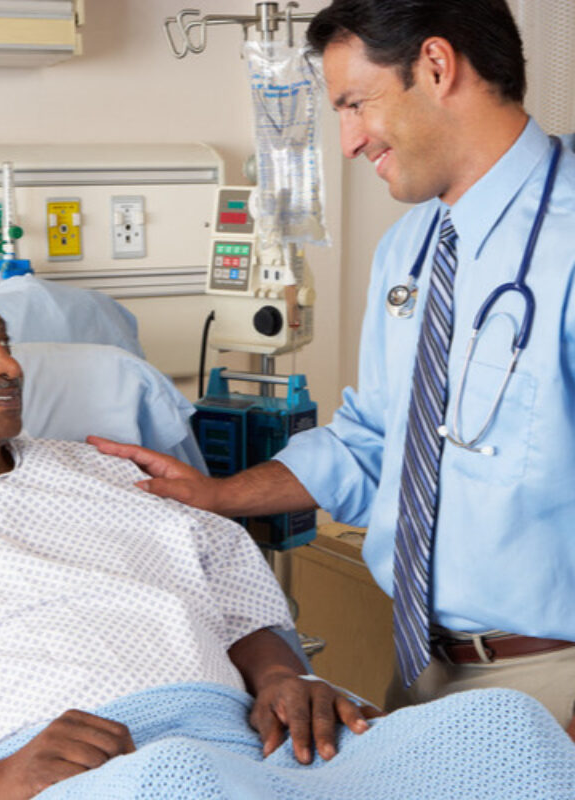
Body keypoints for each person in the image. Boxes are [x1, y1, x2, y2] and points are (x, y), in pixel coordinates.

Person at [91, 0, 575, 741]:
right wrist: (219, 495)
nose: (348, 142)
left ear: (437, 67)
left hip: (557, 686)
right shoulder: (411, 251)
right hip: (424, 671)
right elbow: (370, 443)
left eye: (355, 104)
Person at [0, 267, 376, 799]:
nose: (8, 365)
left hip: (247, 748)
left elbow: (239, 604)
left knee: (468, 730)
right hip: (65, 776)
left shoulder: (108, 470)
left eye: (4, 342)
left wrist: (283, 679)